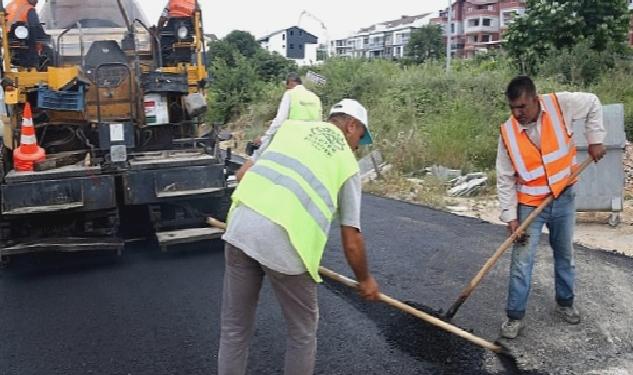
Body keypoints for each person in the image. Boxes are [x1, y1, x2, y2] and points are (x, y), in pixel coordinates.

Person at [218, 99, 380, 375]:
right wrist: (365, 279)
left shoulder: (290, 129)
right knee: (302, 334)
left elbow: (246, 173)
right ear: (351, 125)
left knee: (234, 328)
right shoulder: (347, 165)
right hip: (286, 245)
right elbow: (352, 240)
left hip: (240, 229)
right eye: (360, 137)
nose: (358, 146)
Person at [496, 76, 606, 339]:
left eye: (522, 107)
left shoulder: (561, 105)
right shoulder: (508, 133)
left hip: (564, 197)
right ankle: (514, 316)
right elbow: (504, 177)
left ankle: (565, 303)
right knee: (521, 263)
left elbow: (593, 102)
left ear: (535, 99)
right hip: (530, 204)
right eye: (513, 108)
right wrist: (510, 217)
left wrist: (595, 139)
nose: (517, 113)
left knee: (564, 255)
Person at [254, 72, 322, 147]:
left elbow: (279, 120)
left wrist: (265, 137)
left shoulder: (290, 94)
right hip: (310, 140)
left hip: (293, 138)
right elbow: (319, 121)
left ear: (291, 83)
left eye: (287, 86)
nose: (286, 89)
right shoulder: (315, 97)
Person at [6, 0, 50, 69]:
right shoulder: (28, 8)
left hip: (9, 41)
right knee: (49, 50)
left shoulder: (9, 5)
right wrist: (48, 38)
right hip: (26, 44)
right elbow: (36, 28)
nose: (37, 2)